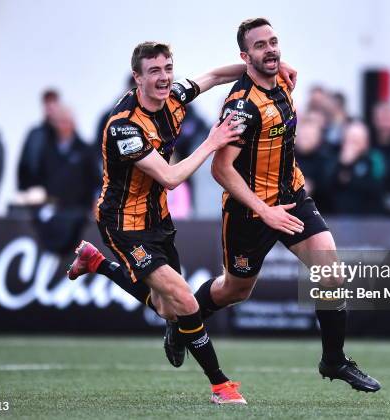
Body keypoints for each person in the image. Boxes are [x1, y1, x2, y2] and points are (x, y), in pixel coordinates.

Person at [67, 41, 297, 405]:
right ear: (137, 78)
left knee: (166, 307)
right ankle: (221, 386)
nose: (163, 78)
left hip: (157, 217)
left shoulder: (174, 95)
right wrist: (212, 141)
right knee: (185, 301)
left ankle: (97, 263)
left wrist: (268, 70)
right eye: (154, 71)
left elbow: (215, 76)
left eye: (168, 68)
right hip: (123, 224)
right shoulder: (124, 127)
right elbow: (171, 178)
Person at [198, 18, 379, 392]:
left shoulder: (281, 78)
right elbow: (220, 168)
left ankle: (334, 360)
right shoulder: (242, 106)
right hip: (250, 211)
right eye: (260, 45)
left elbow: (273, 67)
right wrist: (264, 211)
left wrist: (277, 65)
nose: (271, 50)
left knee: (330, 271)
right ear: (245, 56)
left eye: (273, 42)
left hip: (292, 197)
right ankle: (185, 318)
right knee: (235, 291)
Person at [30, 104, 101, 255]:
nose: (63, 126)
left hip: (78, 210)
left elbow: (97, 182)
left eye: (66, 121)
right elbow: (39, 178)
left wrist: (95, 204)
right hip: (53, 207)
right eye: (60, 121)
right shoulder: (47, 150)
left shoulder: (85, 150)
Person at [327, 121, 385, 214]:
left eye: (357, 140)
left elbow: (377, 188)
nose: (352, 144)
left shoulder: (374, 159)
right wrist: (343, 165)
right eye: (350, 139)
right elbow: (326, 187)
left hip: (366, 217)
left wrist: (350, 178)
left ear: (366, 142)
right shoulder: (333, 159)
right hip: (336, 216)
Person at [18, 89, 60, 190]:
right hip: (35, 192)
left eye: (53, 103)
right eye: (47, 104)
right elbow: (24, 165)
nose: (50, 108)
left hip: (60, 194)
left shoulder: (65, 135)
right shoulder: (35, 134)